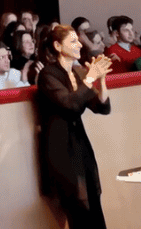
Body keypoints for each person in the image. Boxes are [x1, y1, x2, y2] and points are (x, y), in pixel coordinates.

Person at [37, 25, 112, 229]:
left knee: (95, 206)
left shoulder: (77, 73)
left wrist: (101, 79)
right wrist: (89, 78)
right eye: (73, 42)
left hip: (80, 145)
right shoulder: (48, 75)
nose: (79, 45)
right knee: (79, 211)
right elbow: (70, 104)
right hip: (61, 149)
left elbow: (102, 107)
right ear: (57, 45)